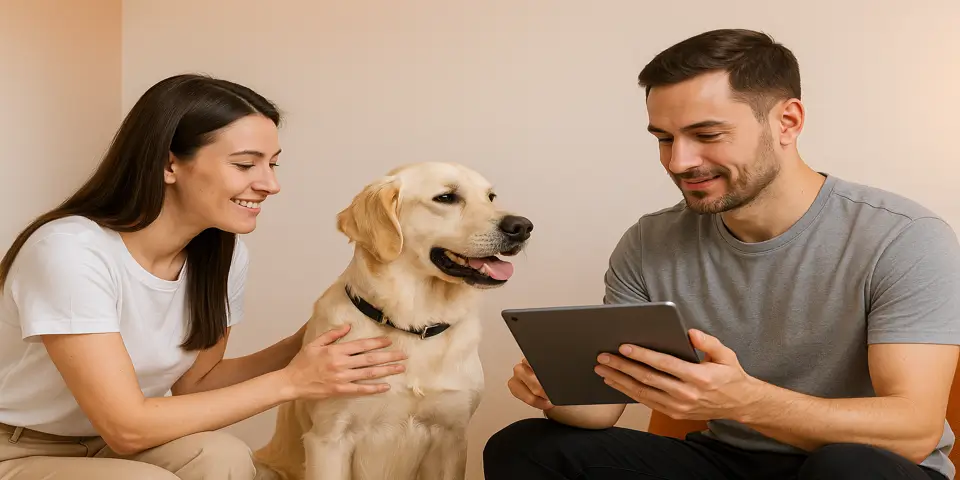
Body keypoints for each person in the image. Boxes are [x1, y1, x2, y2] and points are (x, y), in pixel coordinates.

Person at [483, 28, 960, 480]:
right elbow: (602, 410)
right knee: (527, 446)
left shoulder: (904, 237)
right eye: (664, 139)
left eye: (707, 135)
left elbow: (913, 430)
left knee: (847, 469)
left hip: (864, 466)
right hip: (729, 460)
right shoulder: (650, 242)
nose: (678, 162)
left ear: (787, 122)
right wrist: (556, 390)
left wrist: (744, 401)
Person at [0, 74, 408, 479]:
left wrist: (311, 339)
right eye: (246, 164)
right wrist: (292, 382)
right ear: (168, 164)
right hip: (18, 449)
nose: (271, 184)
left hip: (104, 443)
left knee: (223, 455)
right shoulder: (70, 251)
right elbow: (126, 427)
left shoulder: (223, 255)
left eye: (273, 163)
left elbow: (197, 383)